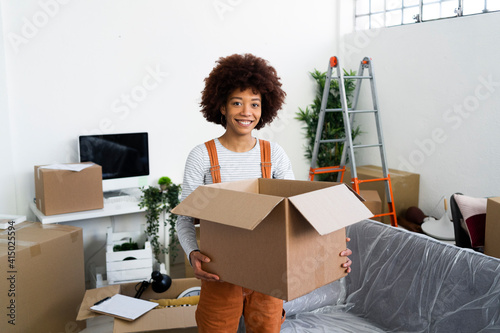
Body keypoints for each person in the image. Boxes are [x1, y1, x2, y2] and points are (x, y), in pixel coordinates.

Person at [176, 53, 353, 332]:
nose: (247, 112)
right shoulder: (201, 157)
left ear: (264, 108)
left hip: (269, 275)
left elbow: (298, 212)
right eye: (237, 102)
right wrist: (192, 253)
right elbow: (184, 218)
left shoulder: (274, 155)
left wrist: (329, 247)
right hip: (220, 274)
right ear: (221, 106)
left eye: (254, 104)